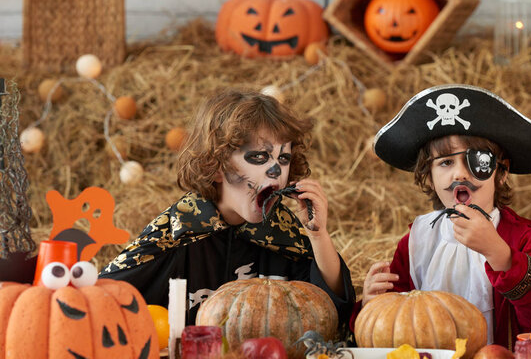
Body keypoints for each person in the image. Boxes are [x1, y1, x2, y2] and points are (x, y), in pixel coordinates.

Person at [100, 89, 355, 327]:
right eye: (259, 157)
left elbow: (331, 312)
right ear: (216, 165)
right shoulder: (177, 233)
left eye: (283, 158)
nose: (276, 172)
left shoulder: (283, 235)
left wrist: (318, 235)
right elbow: (101, 298)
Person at [351, 84, 531, 348]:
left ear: (502, 171)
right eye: (445, 163)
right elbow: (394, 324)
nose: (459, 175)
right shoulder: (417, 242)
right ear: (428, 176)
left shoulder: (521, 239)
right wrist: (373, 303)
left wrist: (500, 255)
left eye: (476, 161)